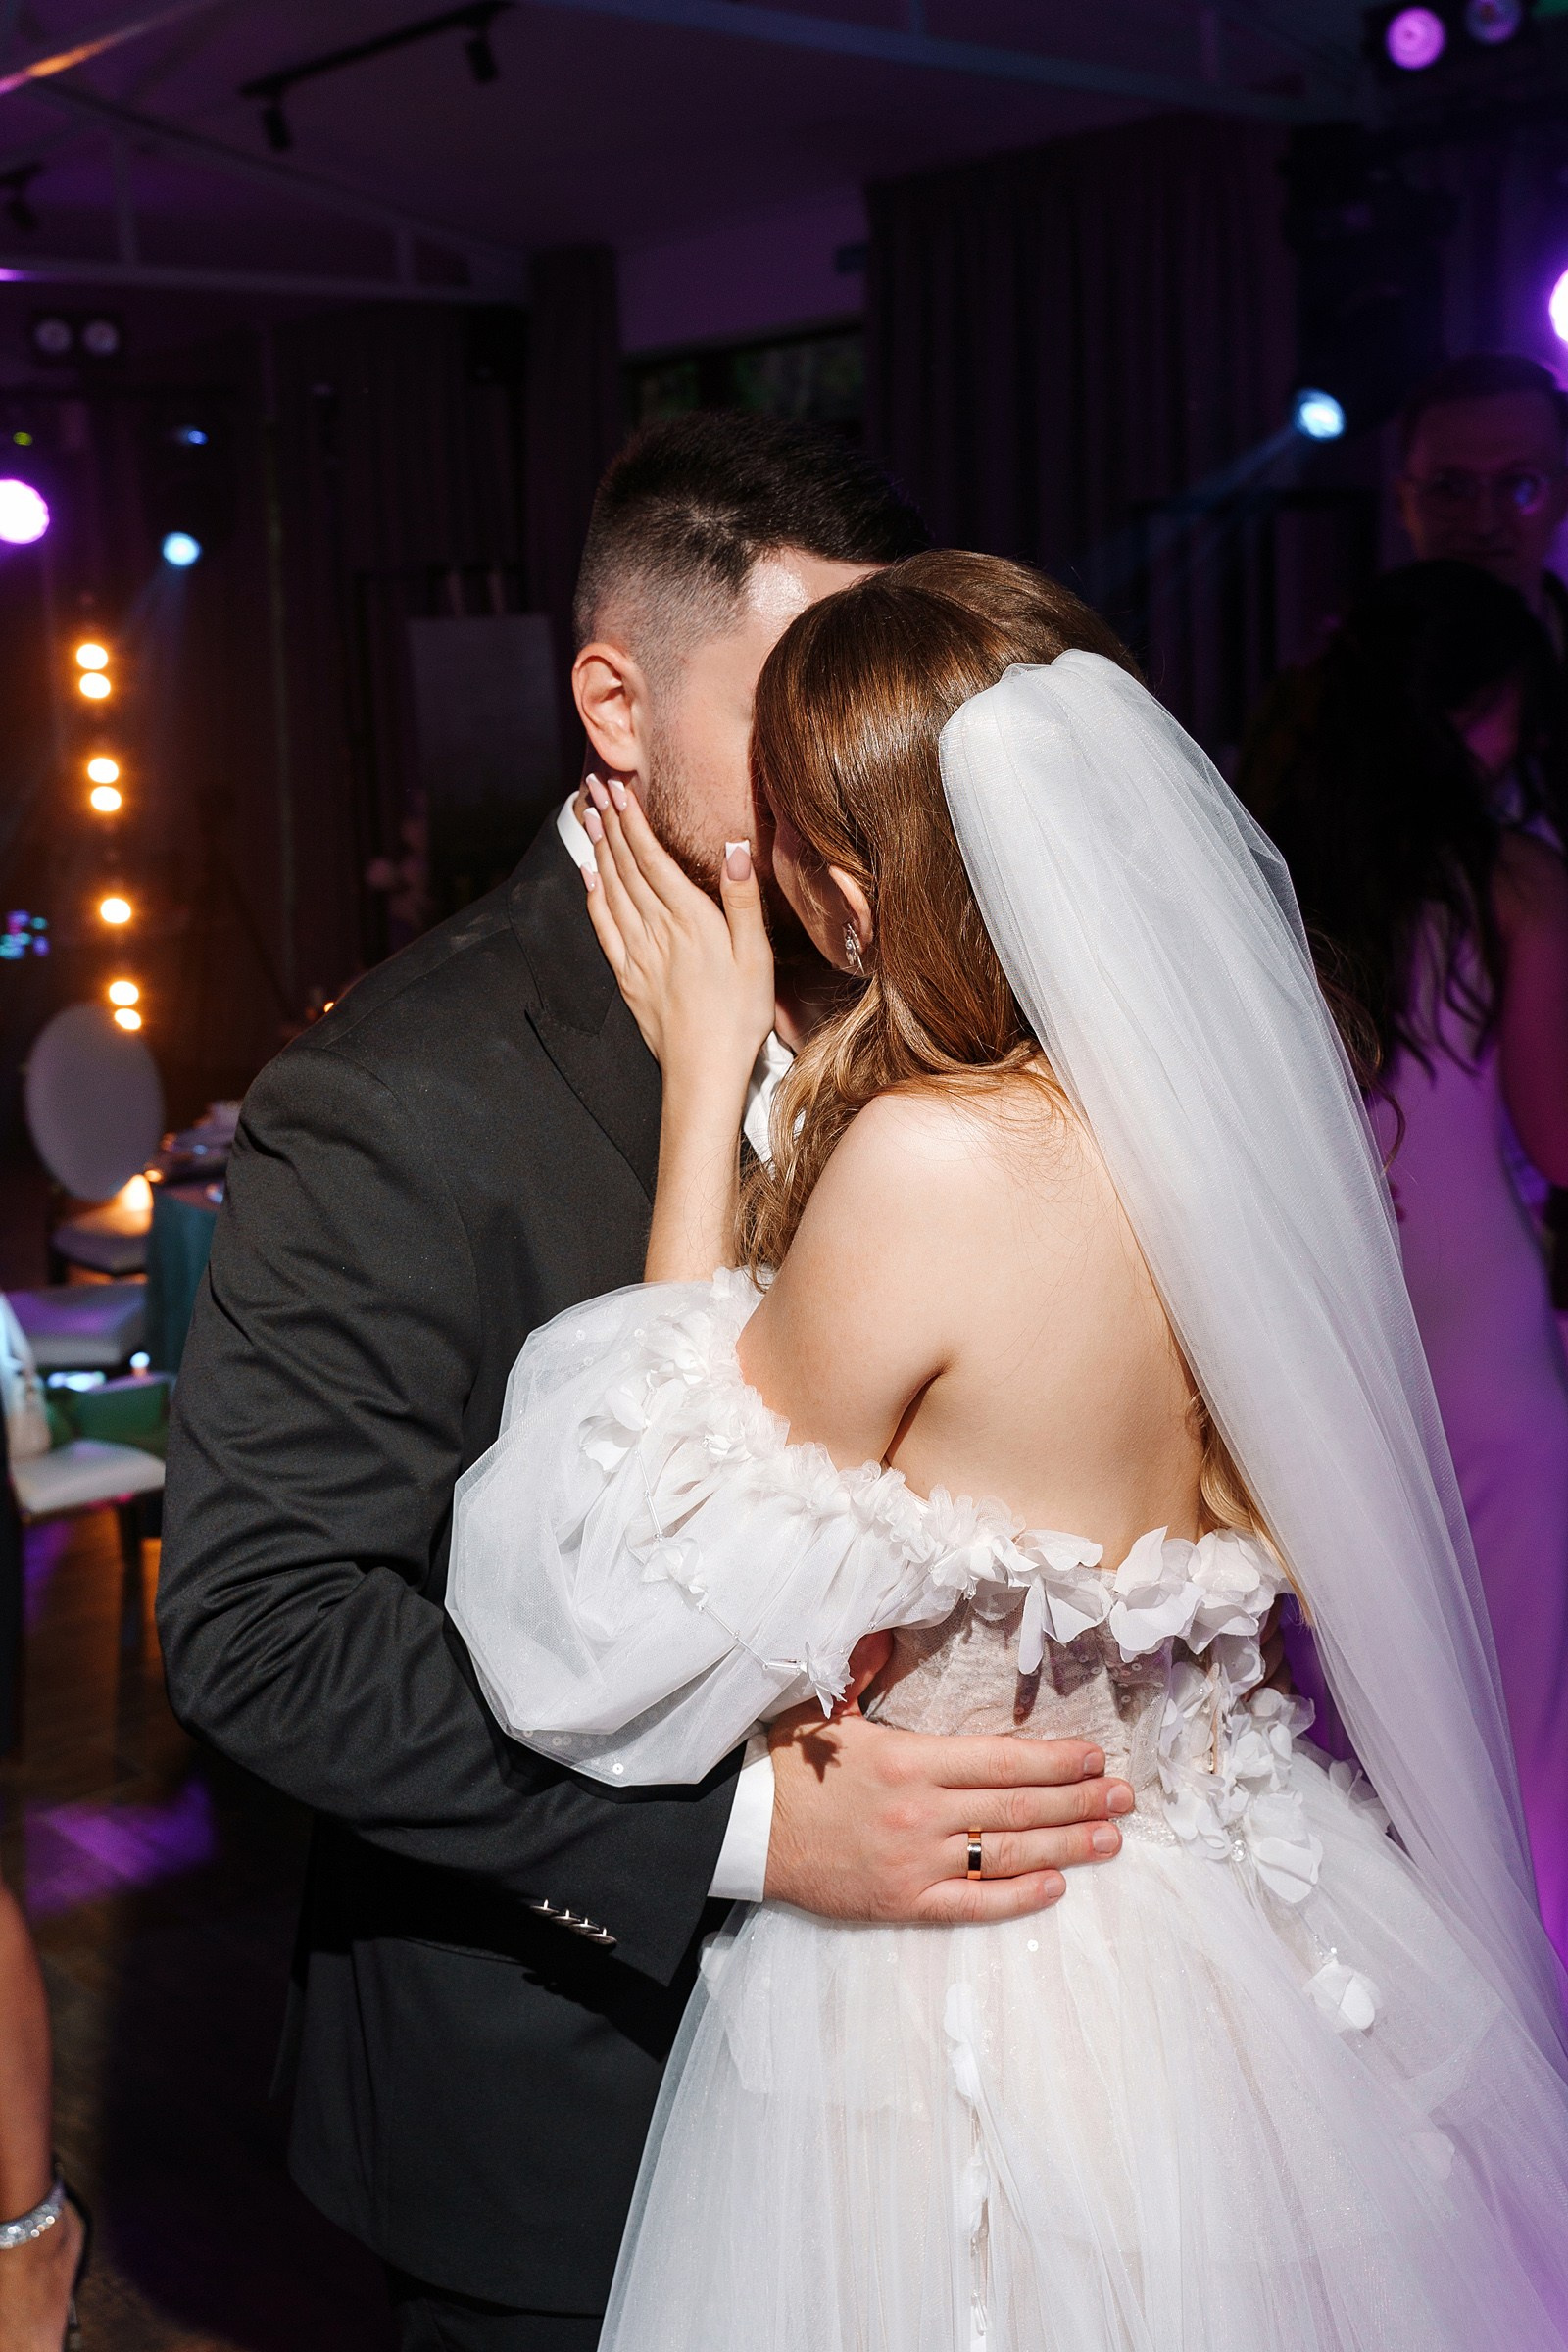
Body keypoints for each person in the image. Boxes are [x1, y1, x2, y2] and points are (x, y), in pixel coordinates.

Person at [448, 549, 1568, 2349]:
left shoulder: (937, 1163)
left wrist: (704, 1081)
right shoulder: (1255, 1135)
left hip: (980, 1965)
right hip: (1253, 1940)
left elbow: (631, 1585)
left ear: (853, 890)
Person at [155, 420, 1134, 2351]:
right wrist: (751, 1835)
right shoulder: (397, 1091)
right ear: (615, 704)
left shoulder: (935, 995)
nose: (858, 770)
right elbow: (268, 1630)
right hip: (567, 2104)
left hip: (951, 2086)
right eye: (798, 702)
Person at [1241, 559, 1568, 1965]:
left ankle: (1371, 2023)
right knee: (1521, 1742)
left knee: (1341, 1736)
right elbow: (1556, 1134)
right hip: (1482, 1348)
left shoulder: (1263, 873)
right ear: (1483, 710)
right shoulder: (1513, 882)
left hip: (1317, 1350)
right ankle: (1531, 2035)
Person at [1396, 351, 1568, 640]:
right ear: (1403, 503)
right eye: (1450, 487)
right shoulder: (1337, 668)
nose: (1483, 525)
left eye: (1517, 485)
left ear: (1562, 499)